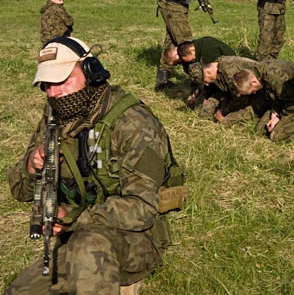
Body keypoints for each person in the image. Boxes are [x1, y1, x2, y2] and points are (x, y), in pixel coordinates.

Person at [5, 37, 184, 295]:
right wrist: (32, 166)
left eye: (62, 80)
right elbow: (19, 192)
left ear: (92, 72)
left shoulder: (134, 124)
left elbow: (143, 208)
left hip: (135, 238)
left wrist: (75, 218)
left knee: (88, 245)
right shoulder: (54, 116)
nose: (54, 92)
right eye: (46, 85)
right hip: (76, 240)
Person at [233, 59, 294, 142]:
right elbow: (274, 97)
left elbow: (293, 104)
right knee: (260, 130)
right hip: (283, 103)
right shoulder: (259, 74)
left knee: (277, 136)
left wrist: (279, 117)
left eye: (252, 91)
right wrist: (274, 114)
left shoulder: (276, 78)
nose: (254, 93)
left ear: (253, 82)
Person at [164, 36, 236, 118]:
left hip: (228, 79)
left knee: (207, 110)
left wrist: (207, 96)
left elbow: (211, 79)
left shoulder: (208, 52)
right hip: (213, 80)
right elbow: (197, 79)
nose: (179, 63)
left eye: (177, 61)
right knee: (197, 107)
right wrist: (195, 93)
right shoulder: (187, 54)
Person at [199, 56, 269, 126]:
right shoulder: (218, 65)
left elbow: (239, 99)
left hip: (263, 93)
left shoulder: (229, 72)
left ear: (208, 72)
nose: (207, 84)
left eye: (205, 81)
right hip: (247, 91)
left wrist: (224, 113)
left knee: (227, 121)